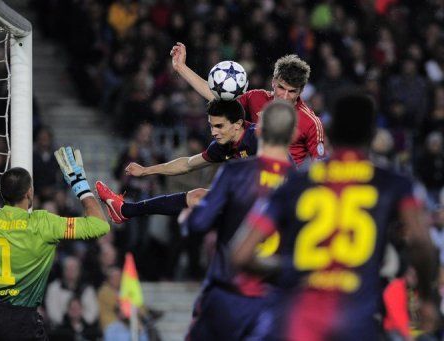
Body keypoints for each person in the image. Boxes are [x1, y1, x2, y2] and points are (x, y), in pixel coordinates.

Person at [231, 93, 439, 340]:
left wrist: (291, 268)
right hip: (356, 323)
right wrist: (426, 298)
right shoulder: (395, 184)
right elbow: (422, 244)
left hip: (296, 324)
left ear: (328, 130)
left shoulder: (295, 182)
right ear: (372, 135)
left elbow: (240, 254)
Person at [0, 146, 111, 341]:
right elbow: (99, 225)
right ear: (29, 193)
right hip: (22, 322)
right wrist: (80, 186)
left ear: (0, 193)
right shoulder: (43, 223)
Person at [182, 100, 296, 340]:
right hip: (272, 302)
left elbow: (199, 224)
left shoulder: (236, 172)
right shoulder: (301, 185)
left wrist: (188, 216)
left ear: (260, 131)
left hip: (227, 295)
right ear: (293, 134)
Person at [97, 99, 258, 223]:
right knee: (197, 197)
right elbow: (187, 164)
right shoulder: (222, 146)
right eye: (211, 126)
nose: (214, 132)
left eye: (219, 126)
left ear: (237, 124)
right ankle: (125, 210)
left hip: (274, 203)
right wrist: (146, 170)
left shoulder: (258, 137)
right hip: (252, 204)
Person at [170, 42, 325, 166]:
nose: (284, 96)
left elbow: (320, 166)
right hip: (251, 179)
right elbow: (216, 96)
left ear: (301, 91)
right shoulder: (256, 98)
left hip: (284, 190)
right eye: (281, 88)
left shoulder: (311, 122)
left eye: (292, 91)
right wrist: (181, 67)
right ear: (273, 82)